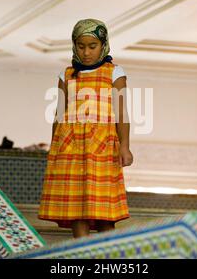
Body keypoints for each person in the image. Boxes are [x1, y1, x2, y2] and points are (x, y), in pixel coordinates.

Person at [38, 19, 133, 238]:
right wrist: (54, 148)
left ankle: (105, 257)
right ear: (74, 45)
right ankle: (81, 252)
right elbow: (59, 114)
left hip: (103, 146)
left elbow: (121, 113)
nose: (86, 52)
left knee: (104, 212)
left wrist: (125, 146)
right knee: (76, 208)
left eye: (92, 46)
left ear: (103, 45)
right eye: (81, 46)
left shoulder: (115, 72)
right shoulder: (67, 74)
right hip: (69, 147)